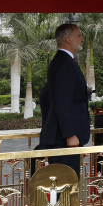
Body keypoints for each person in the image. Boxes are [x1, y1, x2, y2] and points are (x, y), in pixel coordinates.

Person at [39, 24, 91, 175]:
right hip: (65, 138)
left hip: (63, 135)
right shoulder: (64, 63)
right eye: (78, 36)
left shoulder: (63, 61)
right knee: (65, 183)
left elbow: (47, 96)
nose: (82, 39)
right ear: (68, 39)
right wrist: (70, 133)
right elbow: (63, 101)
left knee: (64, 183)